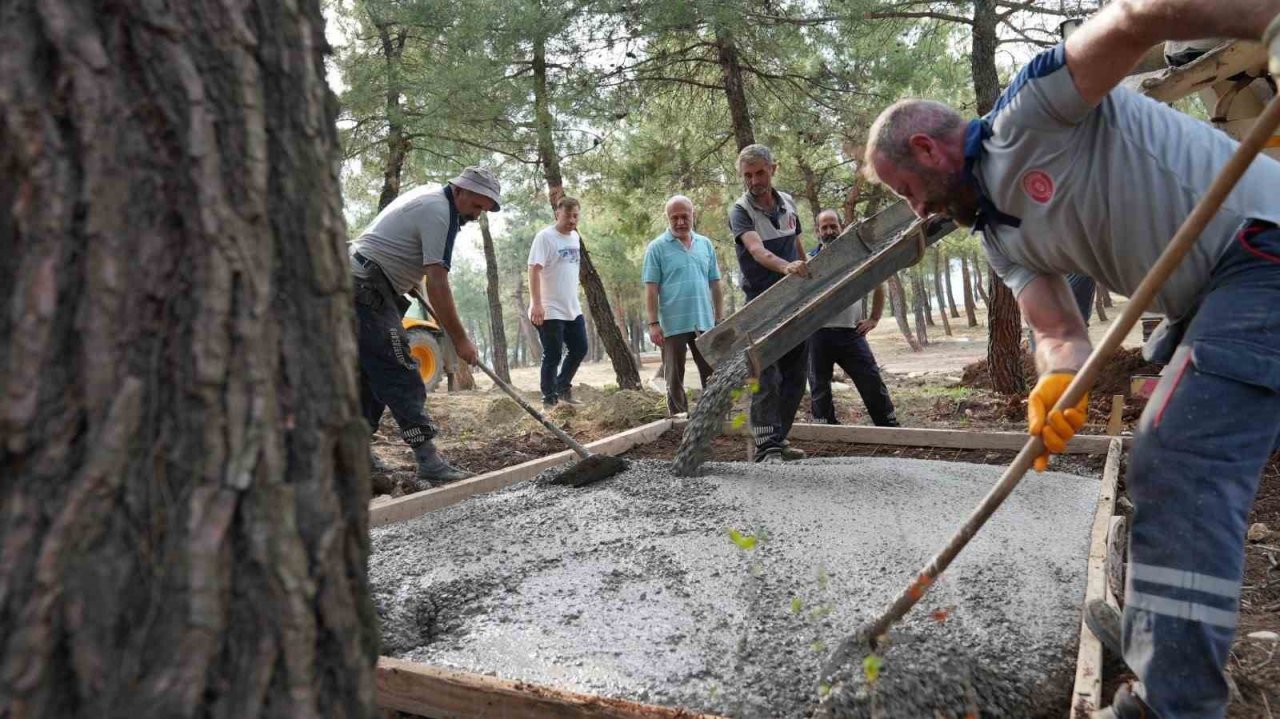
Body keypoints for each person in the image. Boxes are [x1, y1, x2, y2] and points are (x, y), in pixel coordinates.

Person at [862, 4, 1280, 716]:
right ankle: (1165, 634)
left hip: (1262, 252)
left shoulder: (1034, 108)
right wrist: (1056, 378)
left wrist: (1270, 21)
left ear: (928, 151)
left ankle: (1175, 698)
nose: (917, 213)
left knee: (1177, 454)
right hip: (1206, 294)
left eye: (907, 193)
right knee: (1164, 440)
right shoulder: (1001, 240)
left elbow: (1140, 16)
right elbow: (1057, 328)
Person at [350, 167, 499, 487]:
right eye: (477, 207)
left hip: (367, 285)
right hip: (365, 291)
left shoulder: (433, 198)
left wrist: (405, 275)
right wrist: (460, 340)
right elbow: (438, 282)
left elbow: (403, 246)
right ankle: (428, 459)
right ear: (460, 191)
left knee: (372, 378)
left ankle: (355, 455)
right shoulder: (439, 211)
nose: (477, 215)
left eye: (484, 211)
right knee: (401, 370)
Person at [728, 144, 810, 463]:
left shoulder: (788, 202)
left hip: (795, 298)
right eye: (747, 175)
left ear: (773, 169)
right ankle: (766, 448)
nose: (754, 180)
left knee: (795, 373)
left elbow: (798, 244)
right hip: (762, 301)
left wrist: (806, 271)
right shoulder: (740, 211)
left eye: (760, 172)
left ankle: (780, 439)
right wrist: (786, 267)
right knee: (767, 374)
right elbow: (757, 251)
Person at [806, 209, 899, 427]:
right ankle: (825, 429)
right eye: (824, 227)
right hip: (817, 333)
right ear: (817, 231)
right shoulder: (809, 260)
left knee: (871, 380)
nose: (829, 231)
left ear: (841, 226)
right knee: (819, 386)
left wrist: (874, 318)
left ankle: (888, 425)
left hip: (851, 332)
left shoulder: (858, 255)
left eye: (833, 226)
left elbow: (879, 283)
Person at [642, 195, 724, 416]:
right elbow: (651, 289)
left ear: (692, 215)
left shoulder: (705, 244)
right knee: (674, 375)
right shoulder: (656, 248)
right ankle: (678, 419)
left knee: (711, 372)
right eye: (674, 217)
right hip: (672, 323)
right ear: (667, 218)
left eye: (684, 216)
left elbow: (715, 283)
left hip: (704, 321)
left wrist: (719, 318)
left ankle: (713, 416)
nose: (680, 222)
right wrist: (653, 323)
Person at [528, 196, 588, 408]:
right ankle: (549, 399)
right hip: (549, 309)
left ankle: (562, 388)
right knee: (552, 354)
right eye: (568, 215)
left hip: (572, 307)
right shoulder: (545, 237)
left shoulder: (574, 238)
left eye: (575, 216)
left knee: (580, 348)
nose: (572, 221)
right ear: (557, 214)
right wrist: (536, 304)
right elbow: (533, 270)